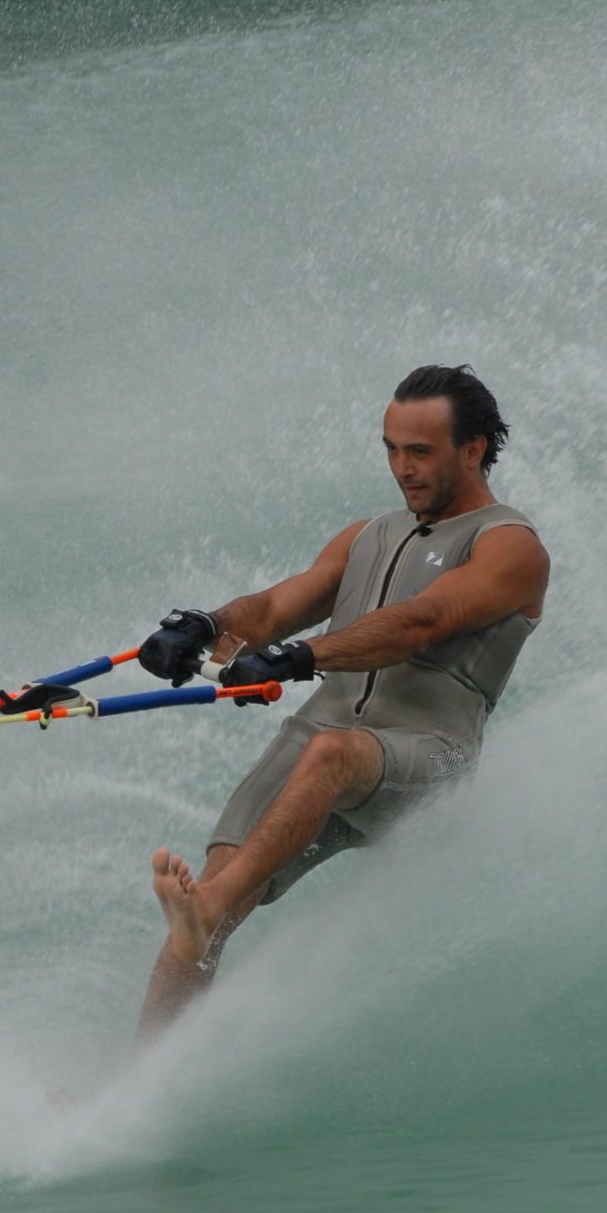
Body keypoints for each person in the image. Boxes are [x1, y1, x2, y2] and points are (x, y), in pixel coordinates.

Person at [136, 363, 550, 1036]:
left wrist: (304, 655)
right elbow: (271, 608)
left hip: (428, 758)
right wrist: (205, 629)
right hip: (324, 744)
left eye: (420, 451)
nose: (401, 467)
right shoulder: (368, 535)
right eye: (390, 448)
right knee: (210, 896)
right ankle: (131, 1086)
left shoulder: (510, 547)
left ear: (473, 450)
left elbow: (425, 622)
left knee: (326, 756)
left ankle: (211, 909)